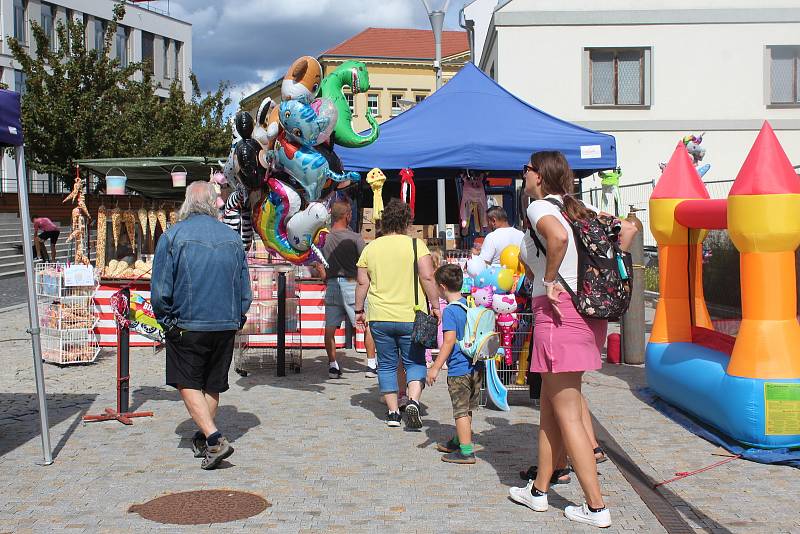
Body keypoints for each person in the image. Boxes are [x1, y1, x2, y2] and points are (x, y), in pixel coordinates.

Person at [509, 151, 636, 528]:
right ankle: (538, 491)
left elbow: (558, 238)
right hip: (586, 311)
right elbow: (627, 229)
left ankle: (596, 507)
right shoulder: (579, 207)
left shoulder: (539, 209)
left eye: (527, 169)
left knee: (567, 412)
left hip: (558, 312)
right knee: (551, 405)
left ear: (540, 177)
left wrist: (549, 280)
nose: (524, 174)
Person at [151, 181, 252, 471]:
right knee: (211, 382)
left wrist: (165, 320)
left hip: (188, 322)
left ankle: (215, 438)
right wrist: (237, 316)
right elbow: (245, 288)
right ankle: (205, 438)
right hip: (224, 322)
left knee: (187, 381)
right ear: (213, 203)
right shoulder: (232, 238)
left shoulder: (173, 236)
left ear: (186, 202)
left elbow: (160, 289)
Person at [355, 199, 441, 429]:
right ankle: (412, 401)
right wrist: (435, 305)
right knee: (414, 361)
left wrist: (358, 310)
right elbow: (428, 277)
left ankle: (393, 413)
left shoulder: (370, 247)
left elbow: (362, 283)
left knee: (386, 364)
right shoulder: (416, 245)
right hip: (411, 315)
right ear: (406, 222)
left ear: (384, 222)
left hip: (380, 315)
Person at [316, 199, 376, 379]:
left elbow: (319, 266)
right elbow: (366, 263)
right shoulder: (355, 237)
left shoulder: (323, 238)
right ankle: (371, 364)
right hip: (352, 284)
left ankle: (333, 364)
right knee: (366, 324)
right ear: (347, 215)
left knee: (330, 327)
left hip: (333, 284)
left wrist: (324, 273)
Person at [426, 264, 480, 464]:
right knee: (466, 408)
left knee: (460, 411)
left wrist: (435, 367)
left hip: (459, 368)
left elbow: (448, 341)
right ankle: (459, 440)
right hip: (474, 366)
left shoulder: (450, 311)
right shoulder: (468, 304)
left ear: (442, 287)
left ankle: (466, 451)